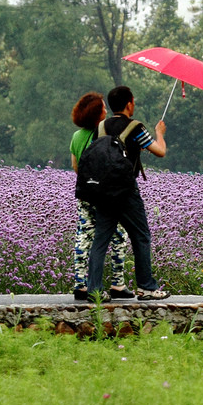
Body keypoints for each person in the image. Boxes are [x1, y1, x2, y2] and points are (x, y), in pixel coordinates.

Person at [86, 86, 171, 301]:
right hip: (126, 191)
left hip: (103, 190)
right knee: (141, 236)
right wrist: (159, 133)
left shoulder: (101, 126)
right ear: (128, 104)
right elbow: (160, 152)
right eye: (133, 101)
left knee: (100, 240)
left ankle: (94, 290)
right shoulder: (135, 127)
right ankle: (146, 287)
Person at [69, 92, 134, 301]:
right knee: (118, 235)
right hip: (107, 194)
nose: (106, 111)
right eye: (103, 108)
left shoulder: (76, 137)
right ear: (97, 114)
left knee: (83, 236)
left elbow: (76, 166)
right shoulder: (103, 133)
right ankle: (117, 284)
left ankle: (80, 284)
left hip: (86, 192)